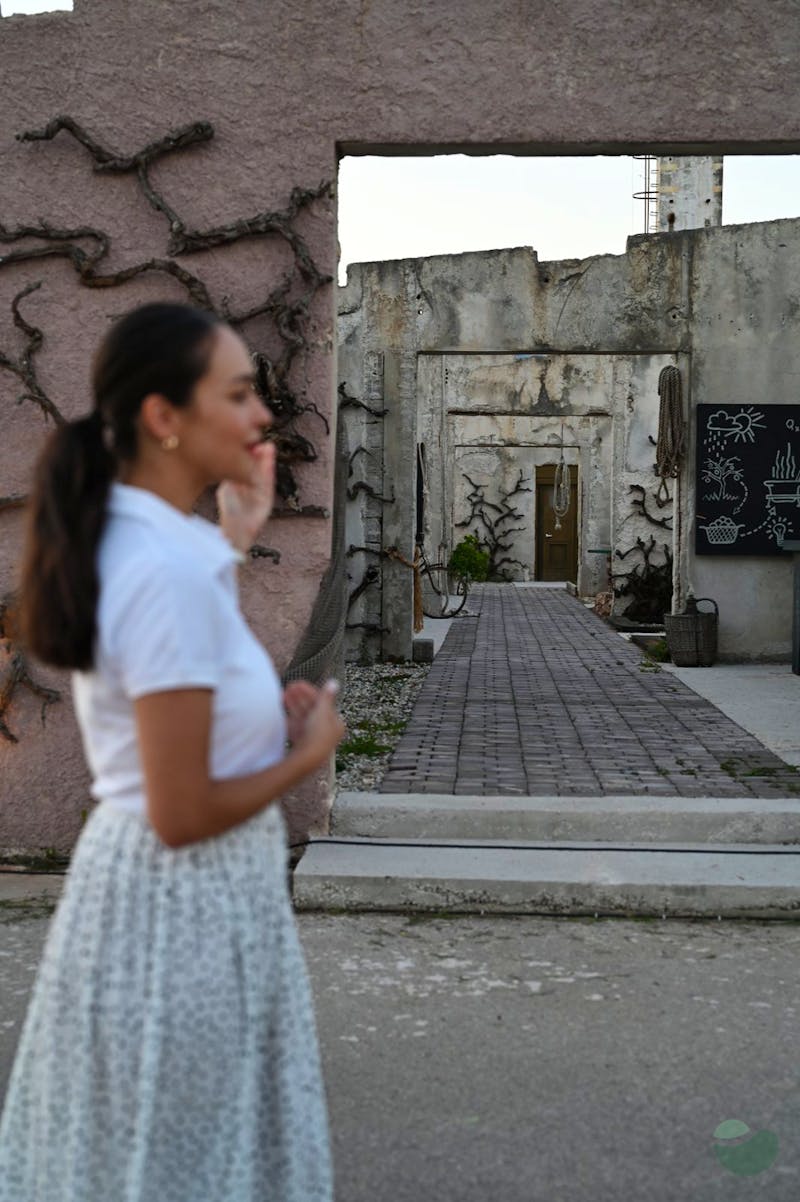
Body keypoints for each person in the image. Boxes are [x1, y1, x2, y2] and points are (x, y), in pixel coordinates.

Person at [0, 301, 345, 1201]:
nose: (262, 414)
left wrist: (233, 541)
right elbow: (182, 811)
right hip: (180, 908)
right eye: (237, 394)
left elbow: (179, 706)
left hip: (176, 896)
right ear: (164, 417)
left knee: (160, 1157)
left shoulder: (165, 544)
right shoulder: (165, 567)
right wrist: (307, 755)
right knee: (182, 1164)